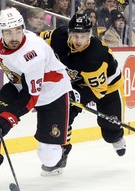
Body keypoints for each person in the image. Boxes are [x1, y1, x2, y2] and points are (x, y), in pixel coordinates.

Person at [0, 7, 72, 187]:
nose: (14, 37)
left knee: (48, 159)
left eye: (18, 31)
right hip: (18, 84)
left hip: (52, 92)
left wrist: (7, 121)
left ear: (23, 28)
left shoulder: (33, 54)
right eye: (8, 32)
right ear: (0, 30)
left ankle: (60, 152)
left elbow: (31, 95)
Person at [40, 13, 126, 158]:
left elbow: (99, 90)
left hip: (107, 86)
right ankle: (61, 150)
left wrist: (78, 96)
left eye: (83, 36)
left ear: (90, 35)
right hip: (76, 82)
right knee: (62, 114)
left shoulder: (95, 56)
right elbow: (37, 43)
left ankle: (116, 137)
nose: (79, 40)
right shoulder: (57, 36)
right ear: (69, 33)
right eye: (75, 35)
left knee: (110, 131)